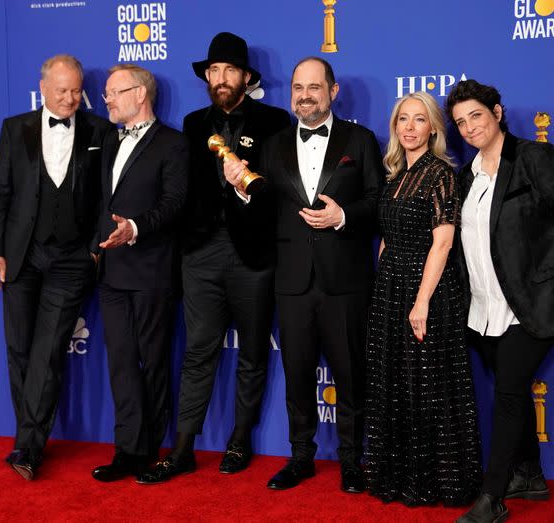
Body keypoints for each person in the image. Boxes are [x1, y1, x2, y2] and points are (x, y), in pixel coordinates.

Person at [137, 32, 290, 484]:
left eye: (229, 71)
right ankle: (182, 449)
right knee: (198, 353)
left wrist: (247, 188)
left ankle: (240, 440)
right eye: (214, 71)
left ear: (246, 76)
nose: (221, 78)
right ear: (207, 76)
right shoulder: (190, 124)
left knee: (253, 353)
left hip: (254, 255)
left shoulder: (275, 122)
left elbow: (281, 192)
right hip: (201, 254)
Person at [225, 57, 383, 492]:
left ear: (333, 91)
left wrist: (344, 215)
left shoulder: (361, 140)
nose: (305, 95)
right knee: (297, 374)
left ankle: (353, 461)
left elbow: (379, 203)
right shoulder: (272, 145)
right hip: (292, 281)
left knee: (352, 373)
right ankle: (301, 457)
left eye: (314, 87)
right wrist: (241, 191)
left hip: (346, 280)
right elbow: (261, 212)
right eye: (298, 87)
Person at [446, 79, 554, 523]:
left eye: (476, 115)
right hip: (482, 310)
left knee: (508, 396)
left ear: (497, 112)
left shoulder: (534, 158)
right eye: (460, 122)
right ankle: (528, 474)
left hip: (528, 308)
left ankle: (492, 499)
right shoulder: (465, 177)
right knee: (511, 391)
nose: (469, 127)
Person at [0, 54, 111, 480]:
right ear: (43, 89)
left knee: (47, 350)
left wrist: (94, 249)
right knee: (19, 347)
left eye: (76, 91)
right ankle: (29, 436)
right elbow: (0, 194)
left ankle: (28, 447)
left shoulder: (99, 130)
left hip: (72, 259)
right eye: (62, 91)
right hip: (21, 255)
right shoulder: (13, 128)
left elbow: (107, 198)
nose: (71, 99)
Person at [365, 91, 482, 506]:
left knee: (429, 385)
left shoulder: (440, 174)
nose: (410, 127)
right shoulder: (395, 175)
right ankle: (397, 475)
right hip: (392, 289)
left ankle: (436, 482)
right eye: (402, 119)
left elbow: (443, 242)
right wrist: (386, 281)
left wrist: (421, 301)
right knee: (396, 382)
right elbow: (388, 236)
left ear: (433, 127)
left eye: (419, 120)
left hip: (428, 290)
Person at [89, 64, 188, 483]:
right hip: (111, 273)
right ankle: (127, 450)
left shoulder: (174, 144)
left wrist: (135, 228)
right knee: (122, 364)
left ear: (140, 94)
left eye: (113, 92)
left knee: (153, 363)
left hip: (151, 271)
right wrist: (96, 248)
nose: (105, 99)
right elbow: (100, 200)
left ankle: (150, 448)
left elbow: (175, 203)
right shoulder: (107, 141)